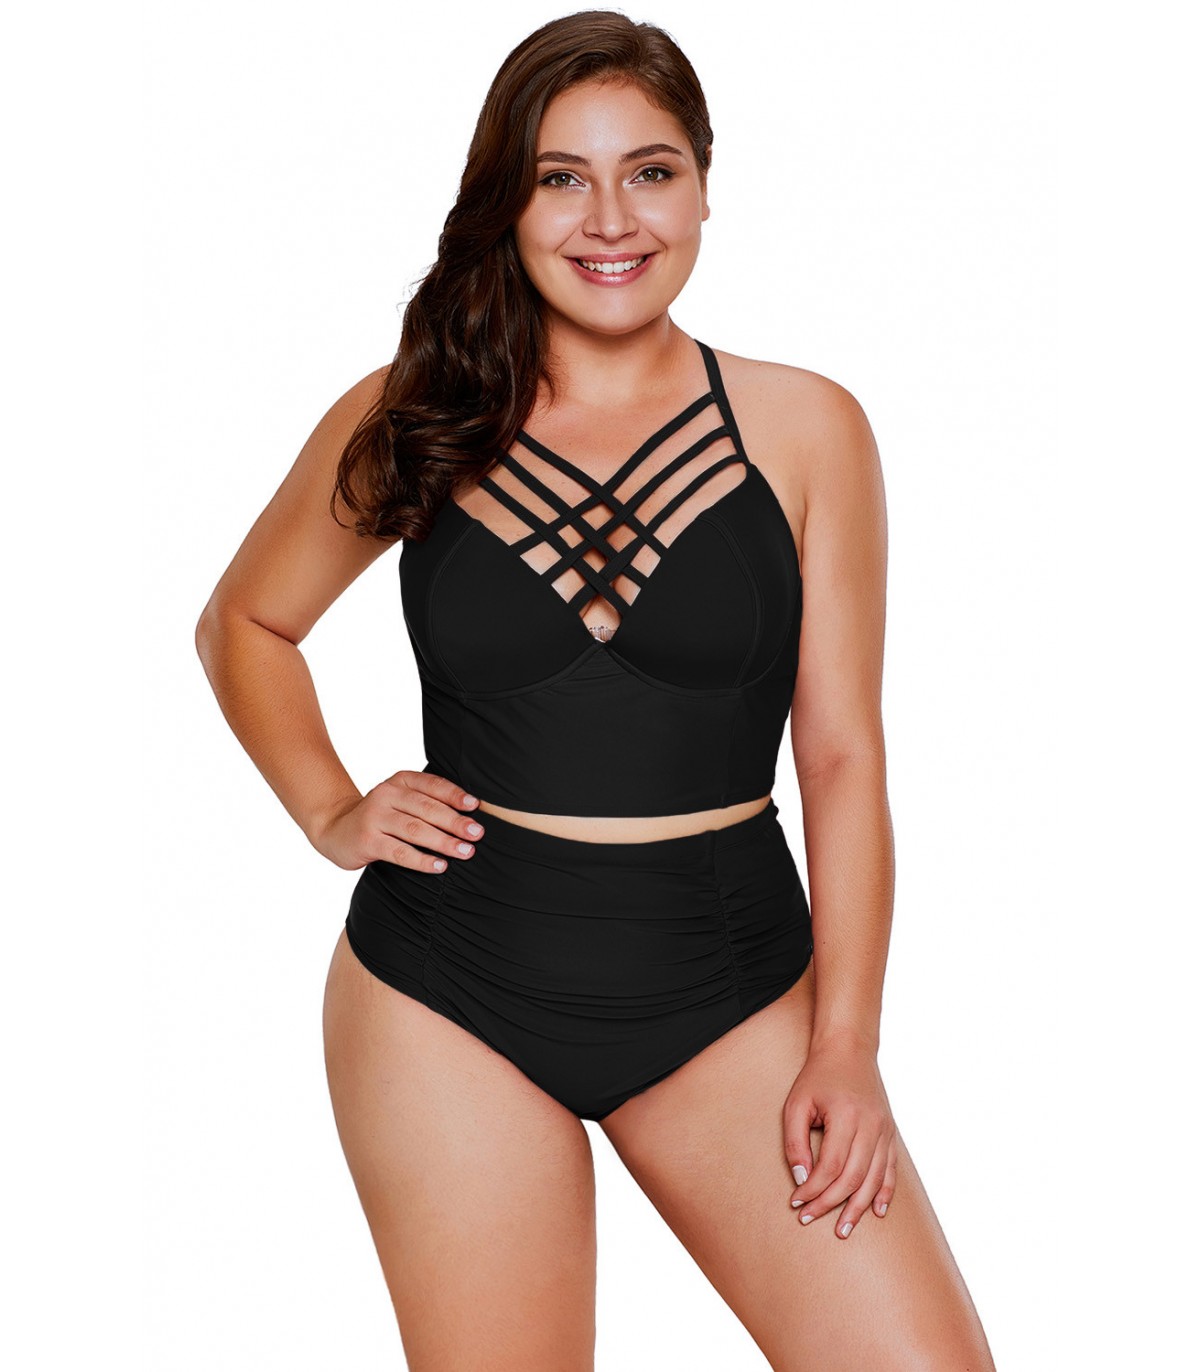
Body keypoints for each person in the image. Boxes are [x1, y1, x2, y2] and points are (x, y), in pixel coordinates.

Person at [196, 11, 997, 1370]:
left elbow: (843, 759)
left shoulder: (807, 426)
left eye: (652, 171)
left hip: (732, 985)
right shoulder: (418, 410)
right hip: (449, 989)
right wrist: (331, 810)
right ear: (505, 201)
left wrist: (848, 1045)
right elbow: (247, 624)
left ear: (703, 189)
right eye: (561, 177)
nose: (611, 219)